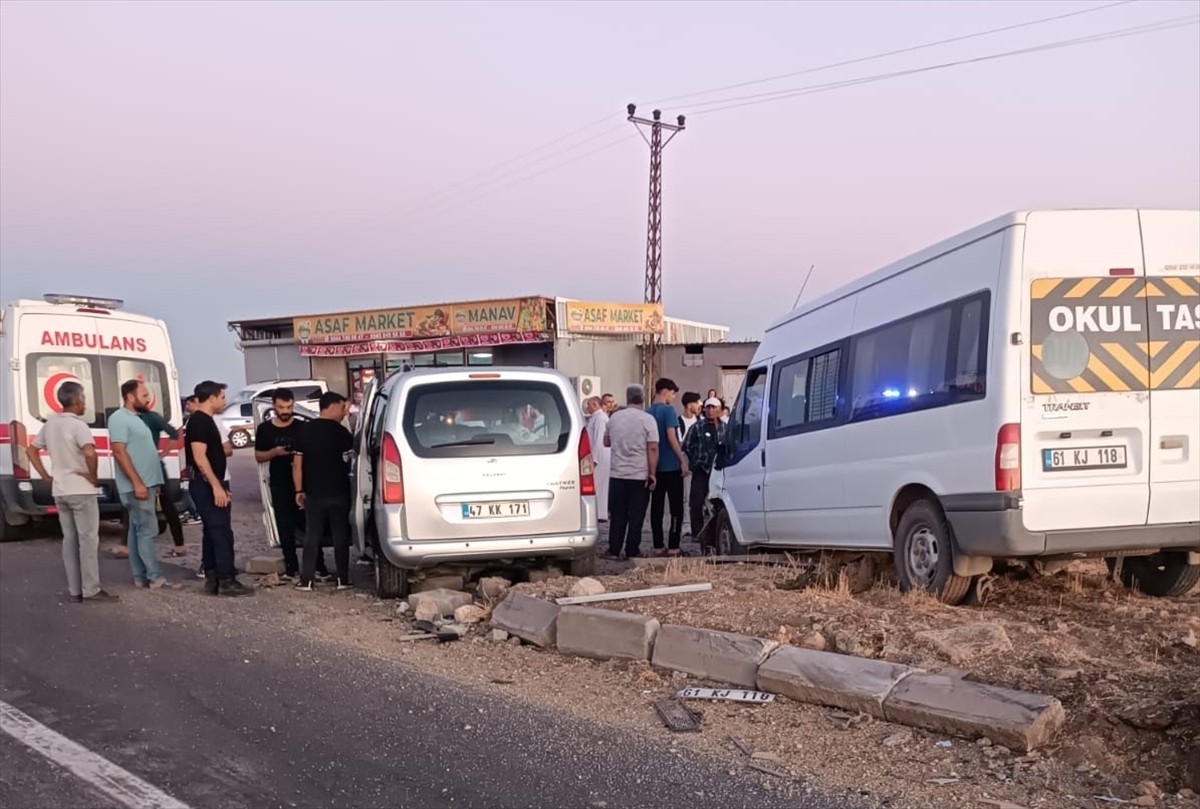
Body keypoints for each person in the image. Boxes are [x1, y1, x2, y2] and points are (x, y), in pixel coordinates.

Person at [27, 381, 118, 603]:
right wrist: (93, 476)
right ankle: (92, 589)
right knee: (88, 540)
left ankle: (75, 590)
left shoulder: (50, 424)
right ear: (77, 401)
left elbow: (31, 449)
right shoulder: (79, 426)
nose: (85, 403)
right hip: (81, 489)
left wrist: (46, 476)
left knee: (69, 540)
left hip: (60, 489)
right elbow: (90, 452)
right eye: (84, 399)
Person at [187, 381, 253, 597]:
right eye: (222, 397)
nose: (225, 401)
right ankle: (226, 579)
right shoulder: (199, 421)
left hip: (214, 483)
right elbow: (199, 457)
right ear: (212, 398)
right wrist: (216, 486)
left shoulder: (207, 421)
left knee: (212, 531)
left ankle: (213, 578)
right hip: (207, 485)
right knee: (221, 531)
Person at [109, 379, 173, 590]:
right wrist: (138, 483)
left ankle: (140, 577)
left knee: (136, 531)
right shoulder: (119, 418)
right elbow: (119, 451)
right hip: (137, 487)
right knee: (147, 530)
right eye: (144, 395)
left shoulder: (137, 419)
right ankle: (156, 577)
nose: (148, 399)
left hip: (146, 484)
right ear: (130, 397)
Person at [293, 391, 354, 591]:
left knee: (312, 536)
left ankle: (306, 580)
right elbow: (351, 461)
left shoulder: (304, 431)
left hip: (314, 493)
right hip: (339, 492)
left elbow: (297, 464)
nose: (344, 412)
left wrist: (299, 490)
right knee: (340, 536)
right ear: (333, 406)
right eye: (342, 407)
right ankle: (343, 579)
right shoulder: (342, 433)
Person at [254, 387, 307, 581]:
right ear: (274, 407)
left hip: (302, 485)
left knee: (308, 526)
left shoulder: (302, 427)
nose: (285, 411)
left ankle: (317, 566)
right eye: (281, 407)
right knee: (285, 528)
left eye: (289, 406)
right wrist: (275, 452)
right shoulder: (265, 429)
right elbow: (259, 456)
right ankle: (291, 566)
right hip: (279, 484)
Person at [601, 384, 658, 560]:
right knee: (636, 515)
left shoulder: (614, 418)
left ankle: (613, 549)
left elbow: (606, 442)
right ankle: (632, 549)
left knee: (617, 514)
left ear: (627, 398)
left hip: (617, 474)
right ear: (642, 398)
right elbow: (653, 448)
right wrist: (652, 473)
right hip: (639, 475)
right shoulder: (647, 419)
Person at [137, 406, 187, 557]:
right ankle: (179, 544)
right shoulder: (144, 417)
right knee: (164, 506)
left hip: (150, 467)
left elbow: (175, 433)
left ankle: (178, 544)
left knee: (162, 505)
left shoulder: (149, 417)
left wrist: (162, 454)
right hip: (149, 466)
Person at [647, 378, 689, 556]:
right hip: (671, 466)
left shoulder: (647, 412)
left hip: (654, 467)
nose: (673, 397)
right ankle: (673, 546)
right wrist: (682, 460)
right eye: (673, 394)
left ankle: (657, 545)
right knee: (675, 508)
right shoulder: (669, 411)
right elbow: (671, 436)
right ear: (666, 391)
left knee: (656, 508)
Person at [684, 397, 727, 552]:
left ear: (720, 410)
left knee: (719, 503)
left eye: (714, 407)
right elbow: (687, 445)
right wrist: (695, 461)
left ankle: (715, 533)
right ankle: (697, 532)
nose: (710, 410)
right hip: (701, 470)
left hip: (719, 470)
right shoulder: (697, 427)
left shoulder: (726, 428)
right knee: (696, 502)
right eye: (708, 407)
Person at [583, 396, 610, 522]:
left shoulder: (600, 418)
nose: (587, 407)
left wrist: (594, 459)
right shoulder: (595, 418)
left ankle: (600, 513)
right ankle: (598, 512)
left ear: (595, 404)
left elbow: (599, 439)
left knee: (599, 484)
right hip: (596, 454)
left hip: (599, 456)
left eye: (588, 405)